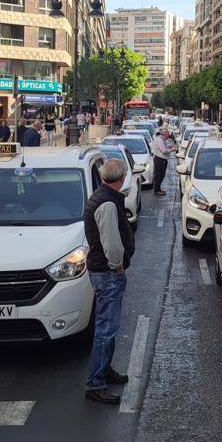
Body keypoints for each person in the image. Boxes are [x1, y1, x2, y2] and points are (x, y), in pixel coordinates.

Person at [83, 158, 135, 405]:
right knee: (106, 329)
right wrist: (118, 267)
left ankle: (105, 370)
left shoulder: (100, 197)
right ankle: (95, 383)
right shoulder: (107, 204)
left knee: (109, 327)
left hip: (102, 271)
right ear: (122, 177)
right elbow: (112, 244)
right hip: (107, 273)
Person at [152, 126, 175, 195]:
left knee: (161, 175)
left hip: (160, 159)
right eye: (167, 135)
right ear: (164, 135)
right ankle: (157, 190)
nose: (168, 137)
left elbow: (163, 148)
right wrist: (172, 149)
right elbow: (164, 151)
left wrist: (169, 147)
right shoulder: (160, 140)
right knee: (159, 175)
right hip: (160, 160)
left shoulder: (161, 140)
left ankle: (158, 189)